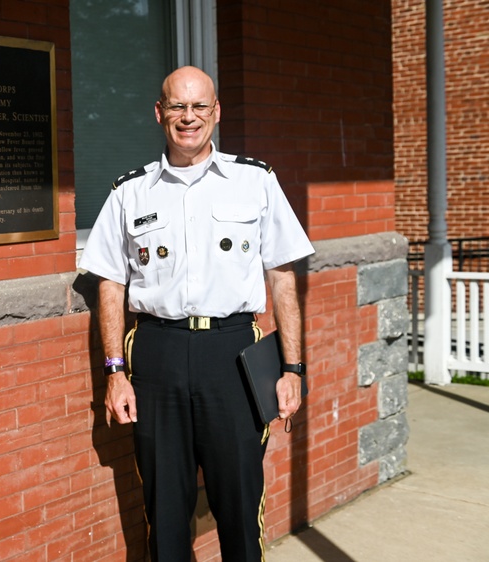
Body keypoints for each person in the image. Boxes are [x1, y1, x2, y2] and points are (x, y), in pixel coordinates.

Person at [80, 66, 314, 561]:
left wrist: (293, 368)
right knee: (164, 511)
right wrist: (115, 374)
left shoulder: (255, 181)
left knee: (239, 503)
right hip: (156, 357)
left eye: (200, 107)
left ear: (216, 113)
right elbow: (109, 282)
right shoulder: (130, 191)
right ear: (160, 113)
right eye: (178, 107)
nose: (189, 117)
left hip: (233, 355)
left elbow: (282, 279)